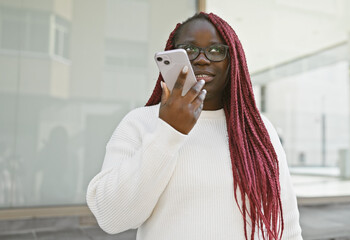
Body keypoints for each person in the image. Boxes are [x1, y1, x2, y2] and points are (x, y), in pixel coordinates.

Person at [86, 12, 302, 240]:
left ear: (234, 62)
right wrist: (169, 131)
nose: (201, 59)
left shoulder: (258, 130)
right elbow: (111, 217)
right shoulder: (140, 123)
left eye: (217, 50)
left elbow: (285, 223)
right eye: (189, 50)